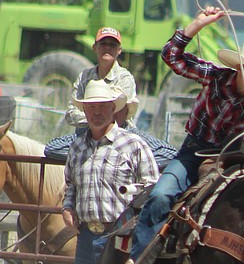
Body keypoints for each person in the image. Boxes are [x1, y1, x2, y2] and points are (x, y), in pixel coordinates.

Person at [108, 7, 244, 264]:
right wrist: (197, 25)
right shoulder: (216, 77)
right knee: (160, 196)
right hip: (195, 153)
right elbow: (172, 57)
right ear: (241, 69)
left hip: (234, 161)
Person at [60, 80, 158, 264]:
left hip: (120, 239)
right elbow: (71, 186)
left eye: (103, 106)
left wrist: (130, 192)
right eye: (92, 107)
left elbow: (153, 187)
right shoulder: (78, 147)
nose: (97, 112)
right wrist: (68, 207)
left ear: (113, 109)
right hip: (87, 238)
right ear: (86, 111)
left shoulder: (133, 145)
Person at [44, 27, 177, 171]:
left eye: (112, 45)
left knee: (168, 154)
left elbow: (120, 115)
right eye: (103, 44)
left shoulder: (124, 78)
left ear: (119, 50)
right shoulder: (84, 76)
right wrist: (96, 121)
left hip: (122, 133)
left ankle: (135, 169)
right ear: (95, 47)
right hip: (85, 135)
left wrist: (91, 115)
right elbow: (70, 114)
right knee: (51, 149)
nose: (107, 48)